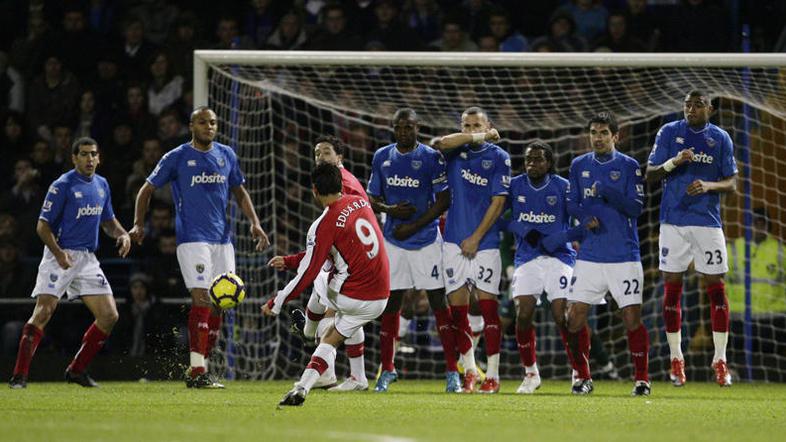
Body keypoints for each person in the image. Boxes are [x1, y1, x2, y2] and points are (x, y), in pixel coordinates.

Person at [129, 106, 270, 388]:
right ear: (192, 125)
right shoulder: (177, 157)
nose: (210, 127)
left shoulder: (226, 155)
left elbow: (239, 191)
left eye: (213, 123)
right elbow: (146, 189)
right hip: (193, 239)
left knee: (221, 304)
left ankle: (200, 367)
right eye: (203, 122)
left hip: (223, 240)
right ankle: (196, 371)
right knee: (202, 298)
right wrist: (138, 224)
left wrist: (254, 222)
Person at [262, 163, 390, 407]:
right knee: (330, 340)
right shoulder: (360, 200)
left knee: (320, 278)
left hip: (352, 296)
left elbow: (306, 272)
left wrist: (276, 302)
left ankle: (308, 331)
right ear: (341, 185)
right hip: (380, 298)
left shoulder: (323, 224)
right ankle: (301, 388)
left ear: (314, 191)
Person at [9, 137, 132, 389]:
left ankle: (76, 370)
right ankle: (19, 376)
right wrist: (58, 252)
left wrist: (122, 234)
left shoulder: (102, 185)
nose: (89, 159)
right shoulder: (62, 185)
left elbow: (108, 221)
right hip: (59, 254)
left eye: (93, 154)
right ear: (74, 158)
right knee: (43, 312)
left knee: (109, 315)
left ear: (99, 157)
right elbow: (42, 226)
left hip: (87, 258)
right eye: (84, 154)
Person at [645, 90, 738, 387]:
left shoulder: (721, 138)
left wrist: (709, 186)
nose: (691, 109)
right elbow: (650, 174)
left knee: (716, 287)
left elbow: (732, 182)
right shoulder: (669, 132)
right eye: (687, 104)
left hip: (707, 224)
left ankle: (720, 360)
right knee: (672, 288)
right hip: (673, 222)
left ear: (710, 109)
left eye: (698, 105)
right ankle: (676, 359)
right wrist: (673, 162)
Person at [366, 108, 459, 393]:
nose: (404, 132)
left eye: (409, 127)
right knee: (390, 304)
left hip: (428, 242)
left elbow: (444, 200)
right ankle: (387, 369)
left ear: (417, 128)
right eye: (399, 127)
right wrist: (390, 209)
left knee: (438, 303)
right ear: (393, 128)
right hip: (394, 242)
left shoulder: (431, 158)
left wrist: (414, 226)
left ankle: (452, 372)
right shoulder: (382, 157)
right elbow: (372, 198)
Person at [269, 135, 372, 391]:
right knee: (316, 314)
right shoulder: (336, 183)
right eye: (317, 153)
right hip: (340, 259)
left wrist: (293, 265)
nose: (320, 158)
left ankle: (332, 373)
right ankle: (354, 375)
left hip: (349, 265)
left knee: (333, 316)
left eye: (326, 153)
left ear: (340, 158)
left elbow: (337, 236)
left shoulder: (344, 186)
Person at [566, 111, 650, 396]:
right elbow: (572, 204)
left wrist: (608, 192)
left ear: (616, 136)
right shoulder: (578, 165)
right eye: (594, 132)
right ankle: (583, 377)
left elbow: (637, 208)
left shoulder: (629, 166)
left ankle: (641, 379)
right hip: (589, 255)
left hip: (624, 255)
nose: (598, 138)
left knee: (631, 319)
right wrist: (584, 215)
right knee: (574, 317)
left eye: (603, 133)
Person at [506, 141, 597, 394]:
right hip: (527, 258)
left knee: (563, 317)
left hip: (561, 258)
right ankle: (531, 373)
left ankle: (581, 373)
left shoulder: (562, 187)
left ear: (549, 162)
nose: (532, 164)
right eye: (528, 159)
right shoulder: (515, 186)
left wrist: (560, 238)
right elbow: (503, 219)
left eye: (538, 159)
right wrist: (523, 230)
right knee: (523, 314)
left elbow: (581, 223)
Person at [432, 106, 510, 393]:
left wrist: (476, 238)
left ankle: (493, 375)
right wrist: (476, 136)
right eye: (466, 125)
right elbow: (439, 143)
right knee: (457, 312)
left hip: (486, 245)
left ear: (489, 124)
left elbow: (498, 202)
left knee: (489, 309)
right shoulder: (455, 151)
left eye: (477, 124)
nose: (471, 129)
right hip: (452, 241)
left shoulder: (499, 157)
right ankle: (470, 370)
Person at [727, 208, 786, 314]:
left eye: (762, 224)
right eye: (755, 223)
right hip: (739, 313)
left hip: (774, 313)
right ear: (748, 225)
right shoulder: (733, 249)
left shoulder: (780, 250)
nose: (759, 228)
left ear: (768, 227)